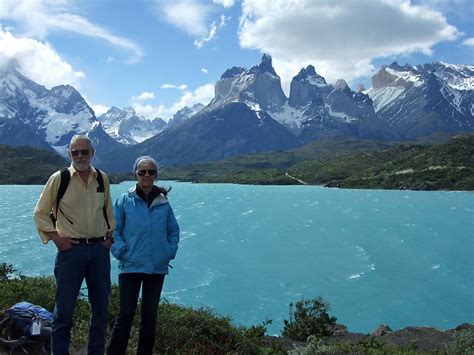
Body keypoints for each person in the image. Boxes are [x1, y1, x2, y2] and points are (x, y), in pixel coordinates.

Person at [34, 135, 115, 355]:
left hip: (99, 251)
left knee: (100, 310)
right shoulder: (59, 179)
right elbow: (40, 213)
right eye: (75, 152)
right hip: (71, 252)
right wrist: (57, 239)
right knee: (64, 312)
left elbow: (108, 212)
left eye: (84, 152)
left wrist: (109, 239)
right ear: (70, 154)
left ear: (92, 153)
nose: (80, 156)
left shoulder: (102, 178)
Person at [107, 156, 180, 355]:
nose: (146, 175)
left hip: (156, 267)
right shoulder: (124, 200)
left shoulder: (163, 203)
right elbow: (114, 229)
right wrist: (120, 250)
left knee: (149, 317)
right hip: (130, 265)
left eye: (150, 172)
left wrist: (169, 251)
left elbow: (173, 230)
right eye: (142, 172)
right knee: (125, 314)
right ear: (136, 175)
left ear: (155, 175)